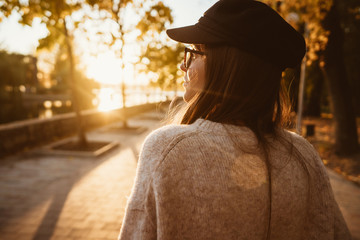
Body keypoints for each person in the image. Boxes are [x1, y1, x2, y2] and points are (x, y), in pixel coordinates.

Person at [118, 0, 351, 239]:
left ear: (225, 65)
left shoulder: (168, 150)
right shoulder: (304, 155)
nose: (181, 65)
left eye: (193, 53)